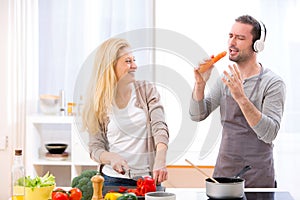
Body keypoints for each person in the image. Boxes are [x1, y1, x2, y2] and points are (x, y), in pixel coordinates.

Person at [189, 15, 286, 188]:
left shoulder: (273, 83)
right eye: (231, 36)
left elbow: (270, 133)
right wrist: (199, 85)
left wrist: (241, 97)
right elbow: (197, 115)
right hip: (224, 173)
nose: (232, 42)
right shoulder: (225, 79)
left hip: (258, 175)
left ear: (257, 45)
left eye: (240, 38)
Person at [81, 38, 169, 186]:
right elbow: (95, 148)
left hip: (148, 180)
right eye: (128, 61)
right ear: (110, 66)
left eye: (134, 60)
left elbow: (160, 127)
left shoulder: (146, 91)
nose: (134, 65)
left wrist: (160, 159)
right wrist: (111, 157)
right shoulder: (98, 102)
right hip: (113, 180)